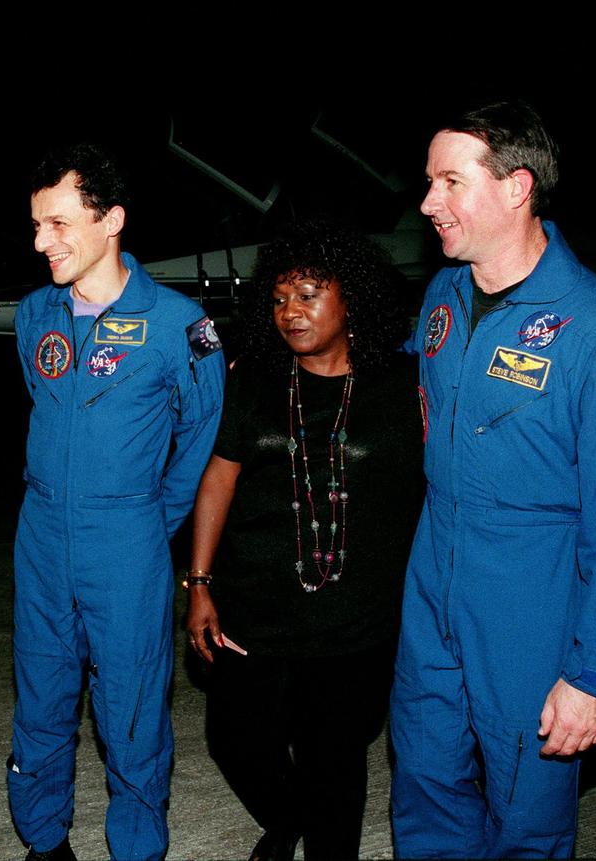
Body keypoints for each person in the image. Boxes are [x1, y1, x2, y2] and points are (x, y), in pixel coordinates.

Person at [390, 101, 596, 857]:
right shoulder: (442, 299)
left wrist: (594, 673)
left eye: (449, 181)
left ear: (517, 187)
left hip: (532, 601)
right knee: (423, 779)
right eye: (429, 182)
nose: (428, 202)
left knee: (526, 813)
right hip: (434, 577)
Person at [8, 143, 226, 861]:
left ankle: (136, 845)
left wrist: (141, 523)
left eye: (61, 223)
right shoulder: (35, 313)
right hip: (40, 535)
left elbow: (197, 441)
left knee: (131, 709)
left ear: (113, 222)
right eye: (38, 224)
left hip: (126, 538)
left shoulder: (179, 325)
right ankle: (44, 837)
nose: (43, 241)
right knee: (40, 696)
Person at [185, 219, 420, 861]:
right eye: (280, 299)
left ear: (352, 298)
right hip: (253, 611)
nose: (291, 311)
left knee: (337, 765)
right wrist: (199, 584)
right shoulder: (254, 380)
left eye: (308, 294)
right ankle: (287, 818)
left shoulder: (401, 388)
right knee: (234, 743)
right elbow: (218, 482)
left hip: (355, 623)